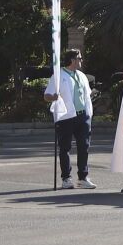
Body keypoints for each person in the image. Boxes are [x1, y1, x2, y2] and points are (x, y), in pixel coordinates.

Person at [44, 48, 95, 189]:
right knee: (65, 147)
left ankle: (83, 177)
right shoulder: (59, 75)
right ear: (72, 60)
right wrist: (53, 97)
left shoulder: (82, 75)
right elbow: (47, 95)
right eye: (79, 58)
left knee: (84, 146)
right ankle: (66, 178)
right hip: (66, 116)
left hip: (83, 115)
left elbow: (86, 94)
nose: (81, 61)